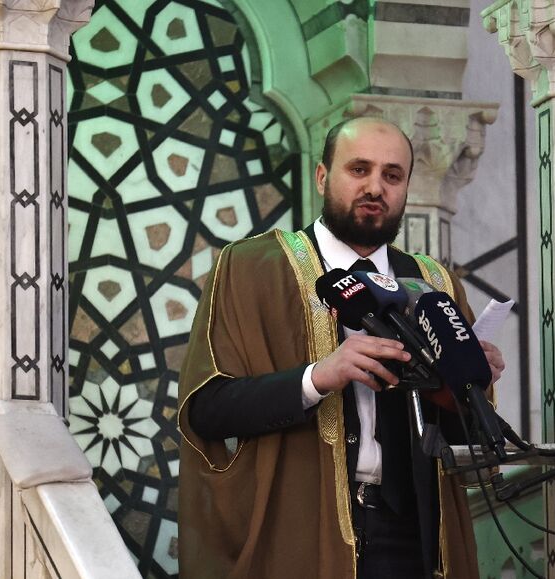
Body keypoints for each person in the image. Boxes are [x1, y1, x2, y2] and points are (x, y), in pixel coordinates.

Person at [177, 117, 505, 579]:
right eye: (359, 169)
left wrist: (471, 383)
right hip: (301, 534)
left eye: (392, 175)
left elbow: (460, 438)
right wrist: (318, 378)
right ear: (322, 176)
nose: (376, 187)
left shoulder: (433, 283)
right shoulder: (251, 268)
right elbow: (206, 410)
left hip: (419, 536)